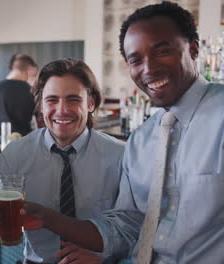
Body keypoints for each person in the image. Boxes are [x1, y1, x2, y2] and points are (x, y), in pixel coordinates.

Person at [23, 2, 224, 263]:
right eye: (136, 60)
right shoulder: (141, 141)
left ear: (194, 49)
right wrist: (45, 217)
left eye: (162, 51)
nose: (149, 69)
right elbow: (130, 225)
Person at [0, 58, 125, 264]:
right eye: (52, 100)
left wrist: (106, 259)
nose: (62, 110)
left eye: (73, 99)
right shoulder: (15, 154)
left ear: (91, 102)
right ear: (40, 105)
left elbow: (134, 230)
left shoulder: (120, 155)